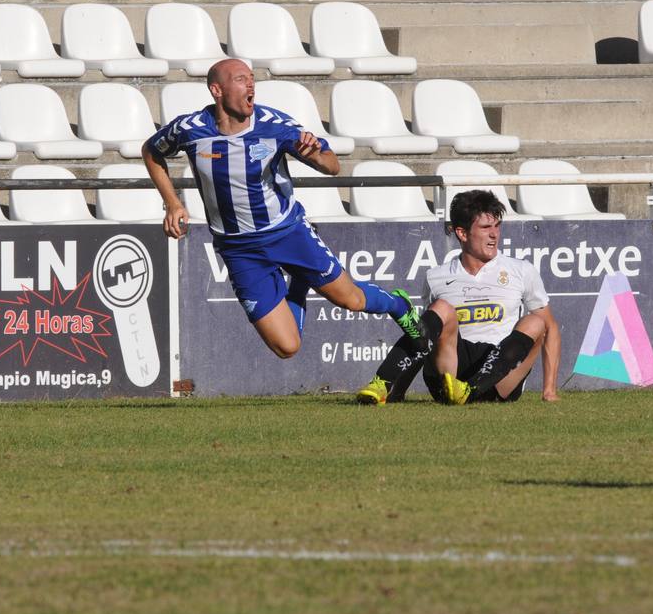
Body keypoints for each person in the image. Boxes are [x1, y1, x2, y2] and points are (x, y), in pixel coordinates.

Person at [142, 58, 424, 360]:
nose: (250, 84)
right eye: (240, 79)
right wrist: (172, 203)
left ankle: (399, 305)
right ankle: (299, 284)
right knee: (286, 347)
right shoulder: (191, 129)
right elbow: (151, 151)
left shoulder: (274, 126)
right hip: (238, 248)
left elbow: (333, 166)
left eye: (251, 78)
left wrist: (315, 155)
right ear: (217, 90)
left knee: (352, 300)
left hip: (287, 234)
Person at [356, 190, 560, 406]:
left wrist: (549, 391)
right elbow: (423, 338)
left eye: (497, 226)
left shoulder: (521, 270)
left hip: (499, 375)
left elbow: (551, 329)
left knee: (537, 321)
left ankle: (471, 391)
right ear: (462, 234)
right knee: (442, 309)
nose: (494, 234)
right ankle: (383, 382)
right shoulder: (436, 276)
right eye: (485, 227)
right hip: (450, 371)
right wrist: (399, 390)